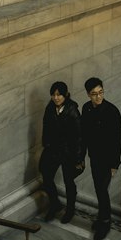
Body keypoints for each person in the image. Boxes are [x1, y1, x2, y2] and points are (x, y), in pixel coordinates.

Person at [80, 77, 121, 240]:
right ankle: (102, 218)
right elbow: (84, 135)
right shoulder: (86, 108)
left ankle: (105, 222)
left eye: (100, 93)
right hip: (94, 157)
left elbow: (117, 139)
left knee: (102, 190)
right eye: (94, 94)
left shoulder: (112, 111)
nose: (98, 97)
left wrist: (114, 164)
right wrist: (81, 156)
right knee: (99, 189)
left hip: (107, 159)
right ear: (88, 95)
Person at [39, 81, 81, 222]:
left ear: (65, 95)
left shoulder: (72, 110)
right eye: (54, 95)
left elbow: (79, 135)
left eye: (59, 95)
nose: (56, 98)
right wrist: (46, 143)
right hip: (53, 149)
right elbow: (46, 125)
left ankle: (70, 210)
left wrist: (78, 157)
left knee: (69, 182)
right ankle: (55, 204)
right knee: (46, 176)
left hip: (68, 152)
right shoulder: (50, 108)